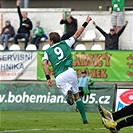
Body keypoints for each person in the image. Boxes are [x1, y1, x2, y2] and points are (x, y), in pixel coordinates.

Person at [42, 15, 92, 124]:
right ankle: (84, 120)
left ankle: (66, 93)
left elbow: (44, 64)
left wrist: (48, 78)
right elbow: (77, 34)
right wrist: (86, 22)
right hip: (71, 72)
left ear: (51, 41)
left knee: (66, 91)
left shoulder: (47, 51)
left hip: (59, 76)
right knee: (77, 97)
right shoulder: (66, 43)